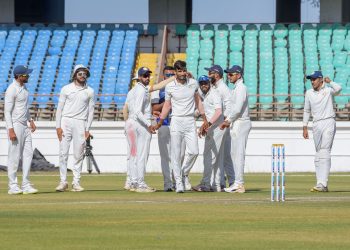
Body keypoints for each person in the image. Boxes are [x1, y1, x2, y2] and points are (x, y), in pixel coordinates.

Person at [153, 60, 209, 193]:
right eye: (179, 71)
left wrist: (205, 118)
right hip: (176, 120)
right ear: (176, 72)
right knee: (176, 154)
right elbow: (167, 105)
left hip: (190, 120)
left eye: (184, 70)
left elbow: (198, 101)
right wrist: (160, 121)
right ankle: (178, 183)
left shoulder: (193, 83)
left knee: (194, 151)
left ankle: (183, 173)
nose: (182, 73)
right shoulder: (170, 87)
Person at [125, 67, 175, 192]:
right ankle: (140, 183)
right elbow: (137, 112)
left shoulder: (133, 90)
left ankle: (132, 181)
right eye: (144, 76)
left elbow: (126, 108)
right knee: (142, 155)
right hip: (140, 124)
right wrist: (149, 124)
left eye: (148, 75)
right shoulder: (142, 91)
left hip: (131, 123)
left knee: (133, 155)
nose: (147, 78)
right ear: (139, 77)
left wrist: (127, 124)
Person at [55, 64, 95, 192]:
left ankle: (76, 182)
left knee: (78, 154)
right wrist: (58, 127)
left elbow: (91, 111)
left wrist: (87, 129)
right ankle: (63, 182)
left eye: (84, 74)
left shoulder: (90, 91)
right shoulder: (66, 89)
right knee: (63, 153)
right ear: (74, 75)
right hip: (66, 121)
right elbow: (59, 109)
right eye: (80, 74)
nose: (83, 76)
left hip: (80, 123)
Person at [302, 71, 342, 192]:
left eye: (314, 79)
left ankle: (323, 183)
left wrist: (330, 82)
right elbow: (306, 110)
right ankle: (319, 182)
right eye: (311, 80)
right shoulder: (309, 93)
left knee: (325, 151)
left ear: (320, 80)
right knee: (318, 153)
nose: (312, 81)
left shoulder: (328, 90)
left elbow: (339, 89)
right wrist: (304, 126)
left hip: (328, 121)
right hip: (316, 124)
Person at [151, 66, 186, 192]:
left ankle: (178, 180)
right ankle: (167, 183)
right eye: (167, 75)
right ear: (163, 76)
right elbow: (154, 108)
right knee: (165, 156)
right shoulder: (158, 89)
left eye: (172, 74)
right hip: (164, 124)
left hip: (179, 124)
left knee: (180, 154)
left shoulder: (183, 86)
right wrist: (167, 102)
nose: (170, 77)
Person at [4, 65, 38, 195]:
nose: (28, 76)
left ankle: (25, 184)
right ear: (19, 76)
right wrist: (10, 129)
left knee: (28, 155)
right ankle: (12, 186)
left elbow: (25, 107)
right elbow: (7, 112)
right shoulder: (11, 90)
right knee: (14, 155)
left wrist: (30, 120)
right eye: (26, 75)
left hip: (25, 125)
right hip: (15, 125)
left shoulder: (24, 89)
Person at [220, 65, 251, 193]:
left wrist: (228, 120)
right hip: (236, 122)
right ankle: (237, 183)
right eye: (228, 74)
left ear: (238, 75)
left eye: (231, 74)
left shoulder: (241, 88)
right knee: (234, 154)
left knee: (238, 154)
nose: (229, 76)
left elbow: (237, 109)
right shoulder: (236, 88)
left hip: (241, 122)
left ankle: (239, 183)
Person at [192, 75, 224, 192]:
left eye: (205, 83)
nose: (203, 85)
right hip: (211, 128)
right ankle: (216, 185)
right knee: (212, 157)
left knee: (210, 157)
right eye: (201, 83)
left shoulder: (214, 93)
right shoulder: (205, 95)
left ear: (209, 83)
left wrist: (207, 124)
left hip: (216, 128)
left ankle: (206, 184)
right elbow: (204, 110)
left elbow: (219, 112)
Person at [205, 65, 234, 188]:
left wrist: (225, 121)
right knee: (221, 155)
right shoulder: (216, 87)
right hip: (220, 125)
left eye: (210, 73)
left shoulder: (223, 89)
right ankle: (221, 182)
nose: (208, 75)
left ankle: (229, 181)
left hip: (222, 125)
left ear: (216, 74)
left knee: (222, 155)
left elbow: (229, 107)